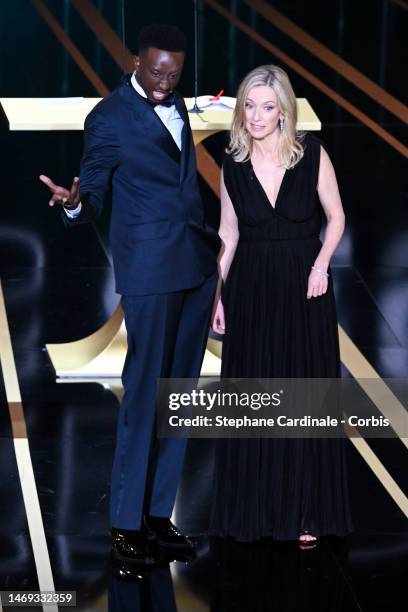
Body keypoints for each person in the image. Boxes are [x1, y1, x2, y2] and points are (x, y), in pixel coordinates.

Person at [39, 24, 219, 566]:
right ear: (135, 61)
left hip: (195, 267)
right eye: (156, 71)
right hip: (149, 273)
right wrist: (75, 202)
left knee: (180, 398)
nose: (165, 82)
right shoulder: (109, 117)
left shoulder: (178, 102)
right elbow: (92, 189)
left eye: (174, 73)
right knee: (144, 396)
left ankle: (160, 516)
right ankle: (124, 524)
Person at [210, 65, 353, 546]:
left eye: (267, 107)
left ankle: (306, 510)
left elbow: (336, 217)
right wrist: (219, 294)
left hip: (304, 286)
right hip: (250, 288)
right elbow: (227, 234)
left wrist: (320, 265)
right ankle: (255, 509)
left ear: (284, 111)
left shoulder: (310, 154)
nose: (256, 115)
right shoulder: (232, 161)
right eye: (249, 105)